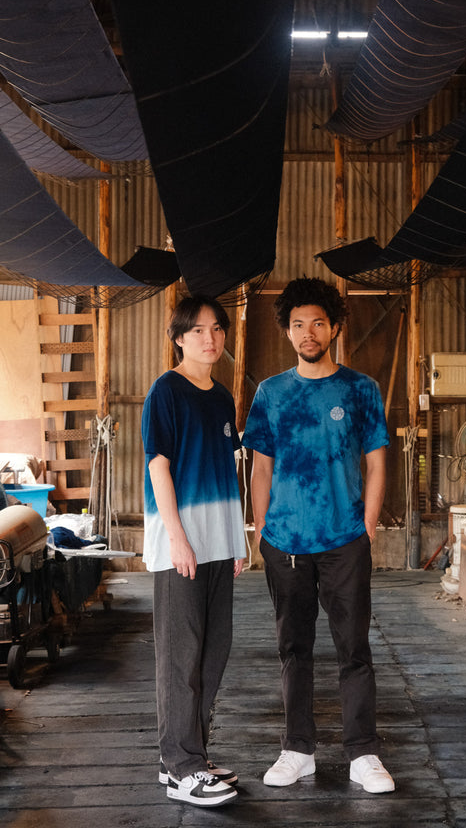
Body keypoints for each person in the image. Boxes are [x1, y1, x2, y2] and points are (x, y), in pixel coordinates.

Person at [242, 277, 395, 794]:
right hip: (286, 543)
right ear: (288, 332)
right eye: (298, 325)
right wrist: (264, 530)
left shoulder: (360, 390)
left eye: (318, 323)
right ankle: (297, 750)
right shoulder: (271, 393)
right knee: (294, 648)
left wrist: (367, 527)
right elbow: (259, 469)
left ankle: (363, 755)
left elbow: (377, 464)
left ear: (334, 328)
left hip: (344, 539)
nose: (309, 333)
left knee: (354, 648)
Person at [141, 294, 246, 808]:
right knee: (180, 655)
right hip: (179, 545)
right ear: (179, 338)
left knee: (213, 650)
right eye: (199, 330)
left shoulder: (222, 396)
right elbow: (158, 466)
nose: (211, 338)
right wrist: (177, 536)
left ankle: (188, 756)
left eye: (217, 329)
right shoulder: (166, 392)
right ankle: (181, 765)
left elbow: (228, 472)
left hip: (219, 544)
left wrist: (238, 539)